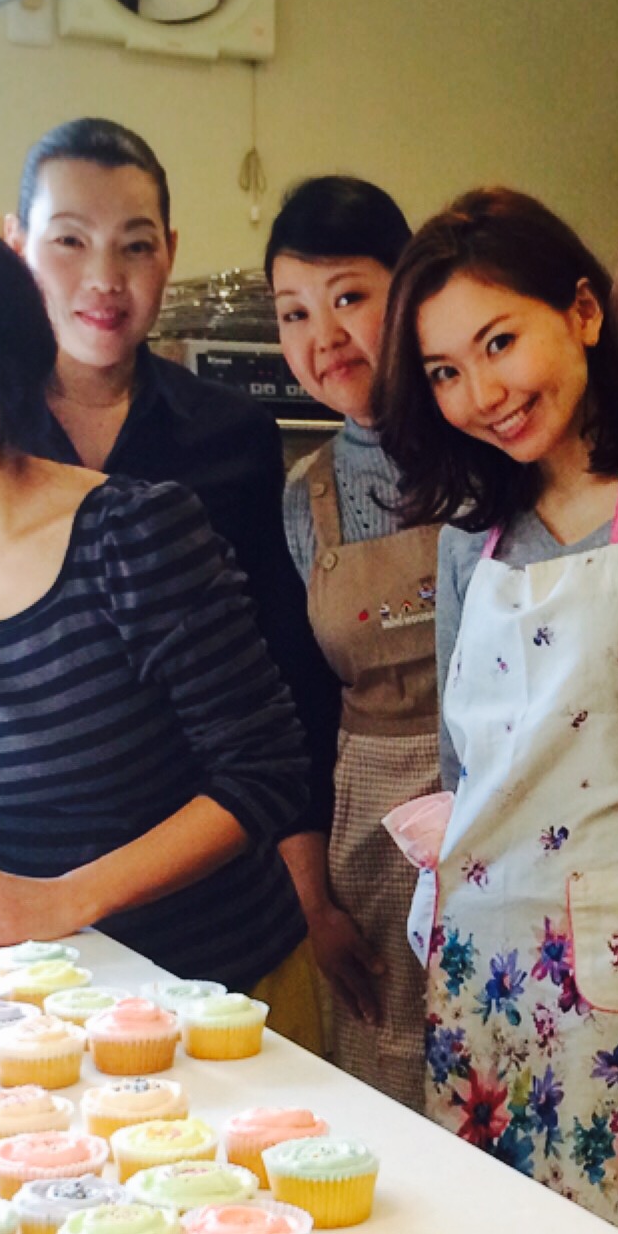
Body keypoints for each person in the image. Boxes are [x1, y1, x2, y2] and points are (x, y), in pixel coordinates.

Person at [0, 117, 338, 1041]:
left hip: (219, 931)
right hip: (32, 962)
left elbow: (277, 685)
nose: (103, 279)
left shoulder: (231, 437)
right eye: (69, 241)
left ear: (170, 253)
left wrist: (307, 874)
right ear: (17, 245)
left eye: (134, 246)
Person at [375, 188, 618, 1234]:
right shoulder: (470, 536)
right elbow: (461, 766)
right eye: (444, 371)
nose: (480, 394)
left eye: (499, 343)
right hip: (480, 972)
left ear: (583, 312)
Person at [268, 175, 440, 1108]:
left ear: (408, 289)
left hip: (504, 821)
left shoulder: (489, 447)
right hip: (366, 843)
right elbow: (293, 711)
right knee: (385, 1094)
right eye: (294, 312)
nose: (321, 336)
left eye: (346, 297)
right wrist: (315, 904)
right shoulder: (306, 497)